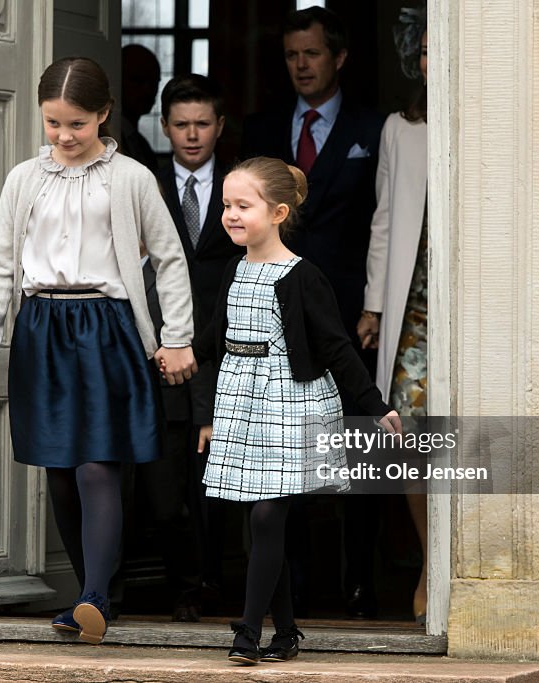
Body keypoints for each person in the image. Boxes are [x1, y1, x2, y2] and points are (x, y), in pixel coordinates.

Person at [0, 56, 196, 646]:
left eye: (77, 124)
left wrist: (177, 338)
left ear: (103, 115)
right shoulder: (23, 179)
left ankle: (95, 596)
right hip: (42, 325)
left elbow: (169, 259)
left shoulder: (132, 178)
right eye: (52, 124)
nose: (64, 137)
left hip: (109, 325)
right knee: (61, 470)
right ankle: (89, 590)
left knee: (98, 464)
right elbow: (0, 263)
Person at [195, 157, 401, 665]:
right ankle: (284, 631)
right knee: (263, 522)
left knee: (267, 514)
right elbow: (209, 342)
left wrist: (374, 406)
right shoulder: (233, 269)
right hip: (241, 399)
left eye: (244, 205)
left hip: (291, 402)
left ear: (279, 211)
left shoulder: (302, 277)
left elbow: (336, 347)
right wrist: (167, 355)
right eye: (226, 205)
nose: (231, 214)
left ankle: (247, 632)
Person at [241, 6, 387, 619]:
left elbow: (386, 219)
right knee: (280, 460)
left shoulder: (374, 126)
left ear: (339, 57)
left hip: (349, 313)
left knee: (355, 451)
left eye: (313, 53)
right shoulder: (263, 124)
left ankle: (361, 587)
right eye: (292, 55)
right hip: (274, 314)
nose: (301, 65)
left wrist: (376, 301)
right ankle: (288, 596)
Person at [137, 74, 245, 620]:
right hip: (163, 352)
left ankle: (214, 584)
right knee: (164, 482)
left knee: (220, 482)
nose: (192, 135)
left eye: (203, 123)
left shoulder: (241, 188)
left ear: (220, 126)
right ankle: (178, 584)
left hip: (228, 349)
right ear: (165, 127)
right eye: (181, 124)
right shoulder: (144, 185)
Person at [357, 4, 429, 624]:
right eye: (426, 51)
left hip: (474, 304)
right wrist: (374, 304)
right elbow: (384, 216)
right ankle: (433, 560)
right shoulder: (399, 127)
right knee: (404, 431)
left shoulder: (489, 120)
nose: (434, 62)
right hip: (415, 309)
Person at [120, 44, 162, 174]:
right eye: (137, 80)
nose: (147, 90)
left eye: (154, 82)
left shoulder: (142, 146)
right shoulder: (105, 139)